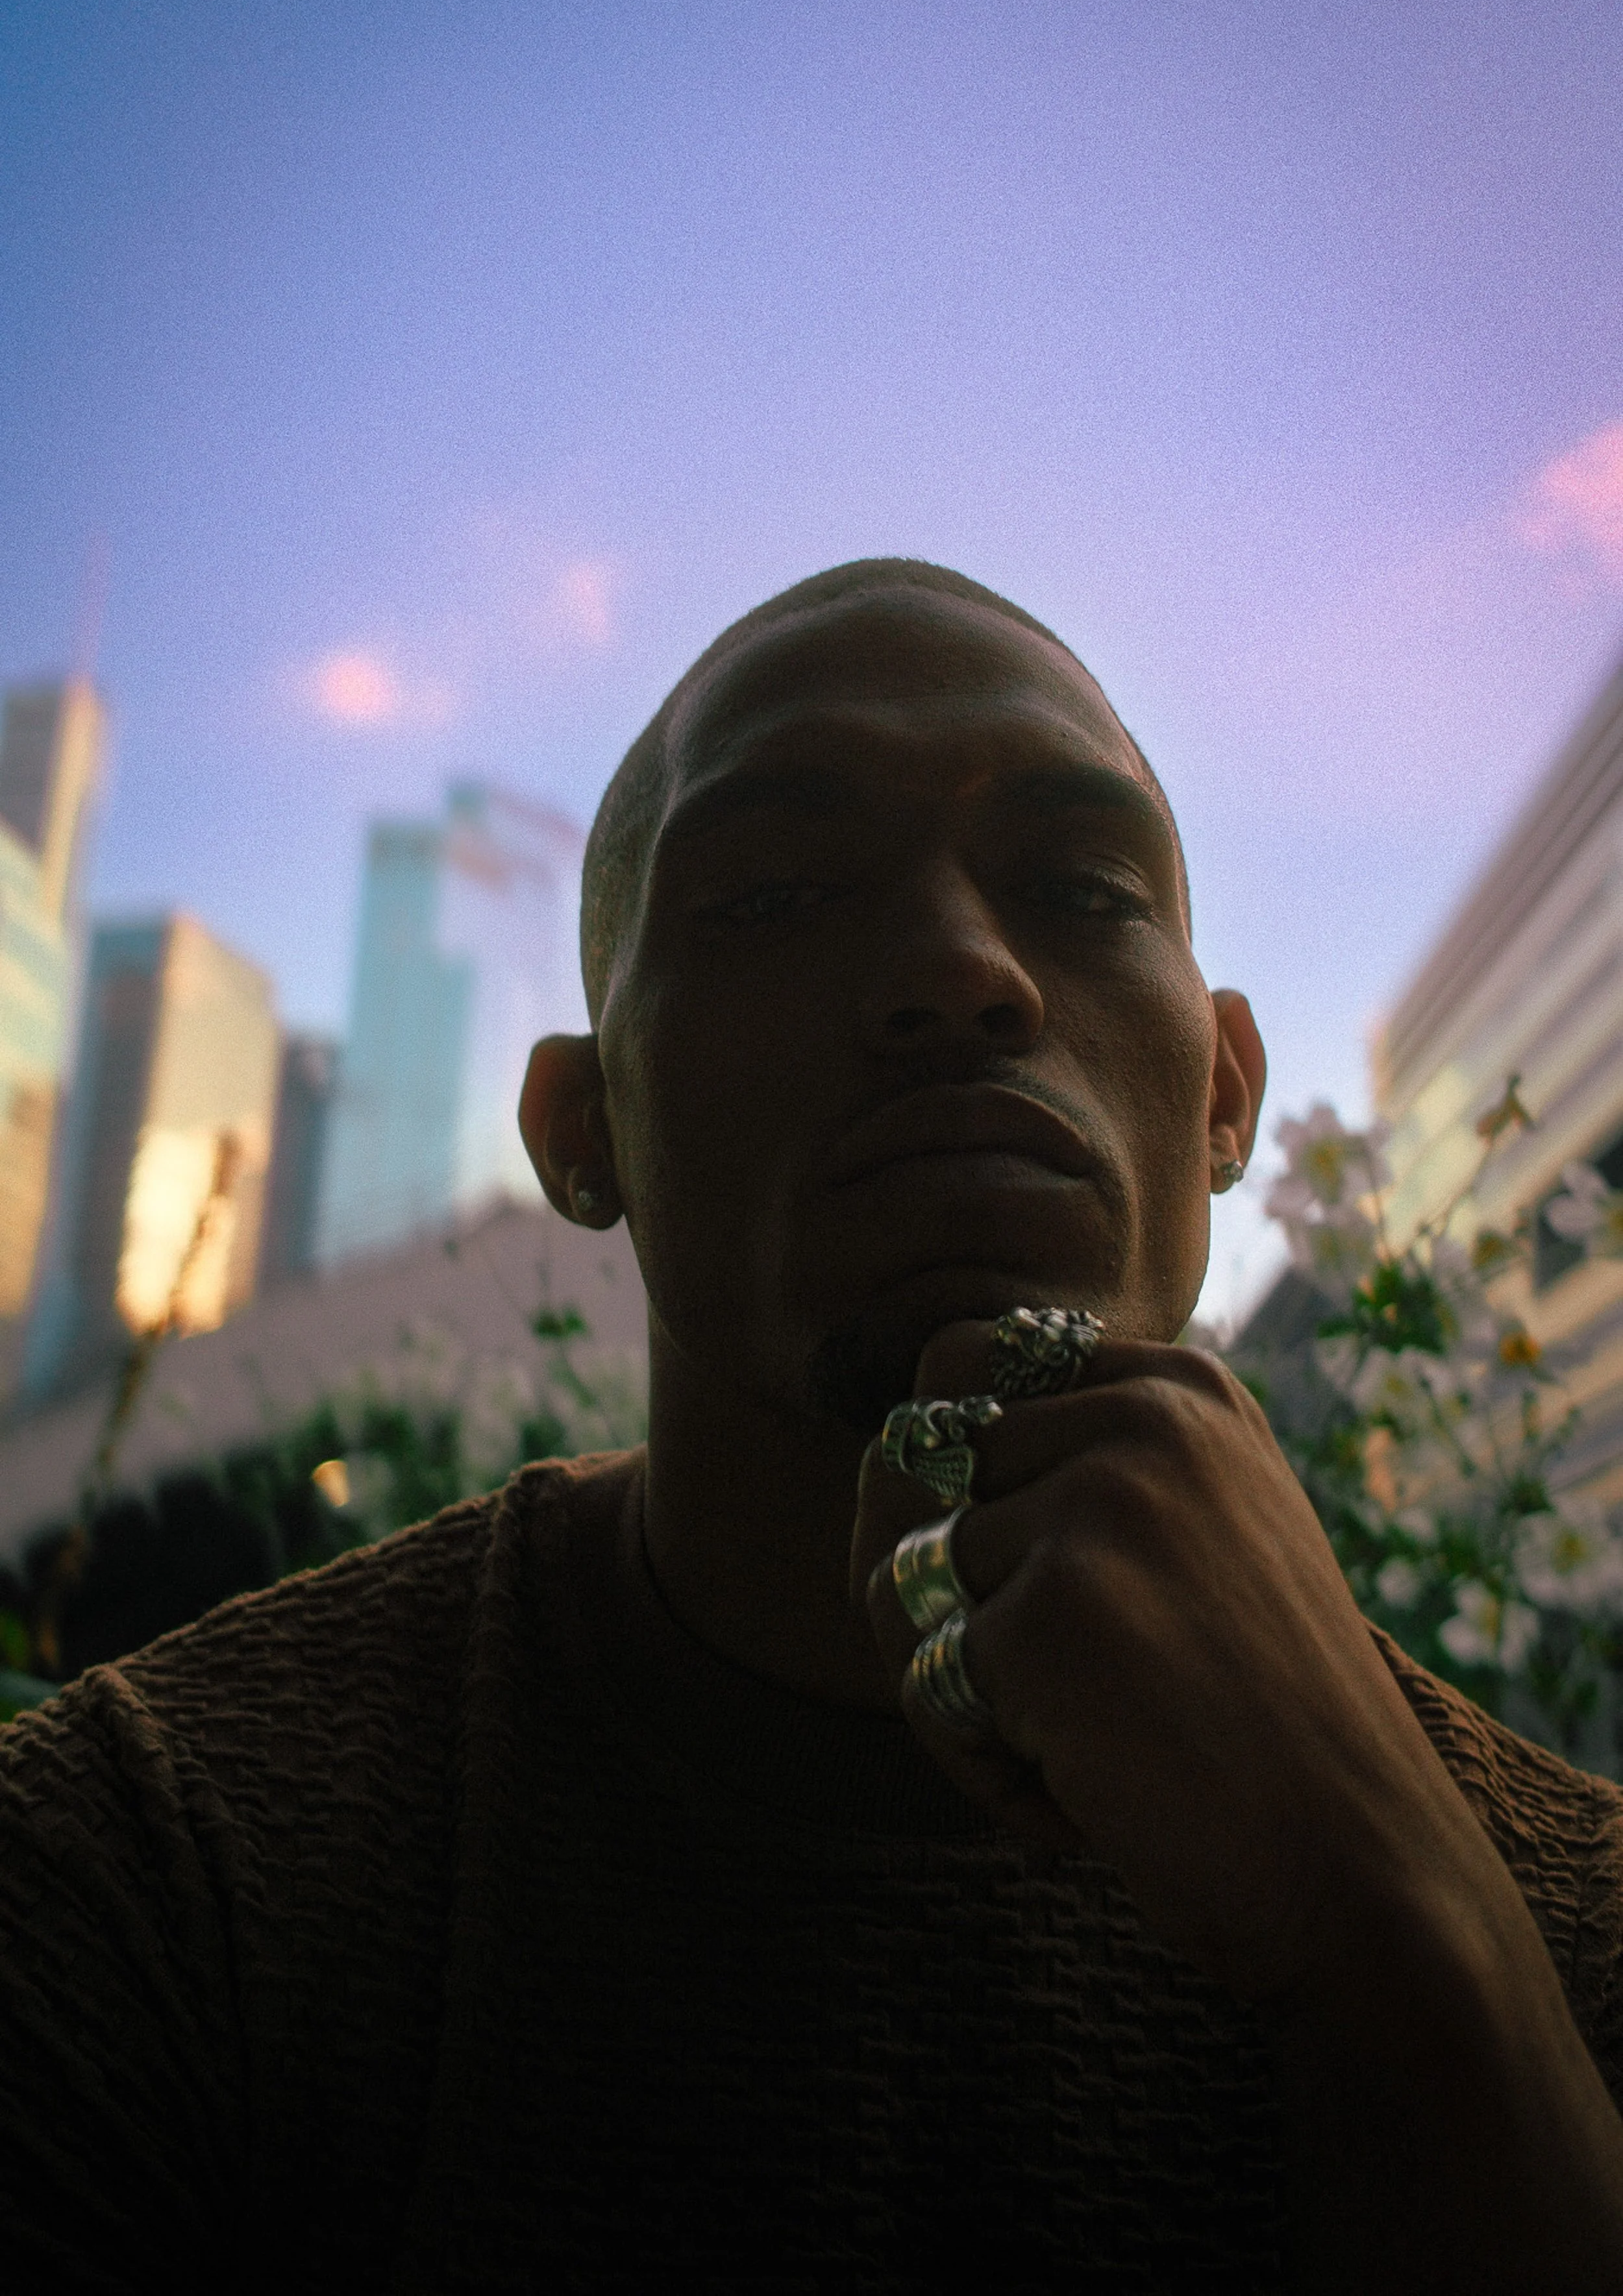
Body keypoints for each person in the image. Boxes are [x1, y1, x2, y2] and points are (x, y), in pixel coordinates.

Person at [3, 558, 1622, 2292]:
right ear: (580, 1128)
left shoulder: (1582, 1924)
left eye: (1084, 892)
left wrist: (1407, 1947)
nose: (965, 969)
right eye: (772, 895)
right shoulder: (138, 1874)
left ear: (1224, 1093)